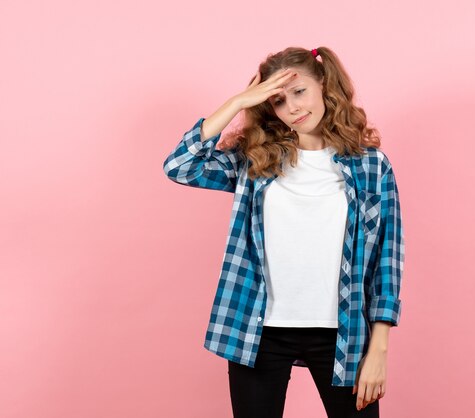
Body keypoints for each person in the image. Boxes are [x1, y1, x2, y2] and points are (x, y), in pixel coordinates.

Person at [162, 46, 405, 418]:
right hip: (258, 330)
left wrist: (379, 350)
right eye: (277, 100)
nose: (292, 107)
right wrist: (239, 101)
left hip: (342, 331)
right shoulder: (256, 160)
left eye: (299, 91)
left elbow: (386, 259)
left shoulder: (371, 165)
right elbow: (180, 166)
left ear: (324, 85)